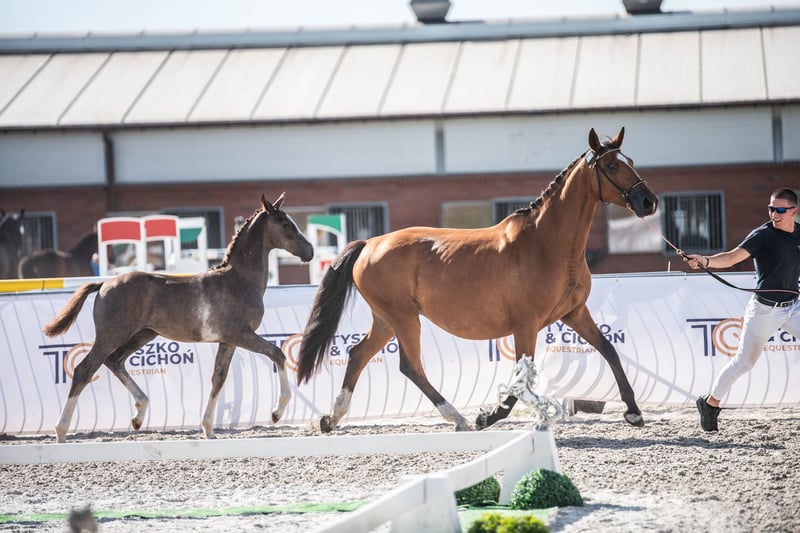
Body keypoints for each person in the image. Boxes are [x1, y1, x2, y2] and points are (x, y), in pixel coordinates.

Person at [682, 187, 800, 431]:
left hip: (794, 306)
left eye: (779, 210)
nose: (774, 214)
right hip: (765, 310)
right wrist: (705, 261)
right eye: (771, 209)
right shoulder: (762, 236)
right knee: (744, 363)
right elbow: (732, 257)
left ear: (793, 211)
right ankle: (710, 403)